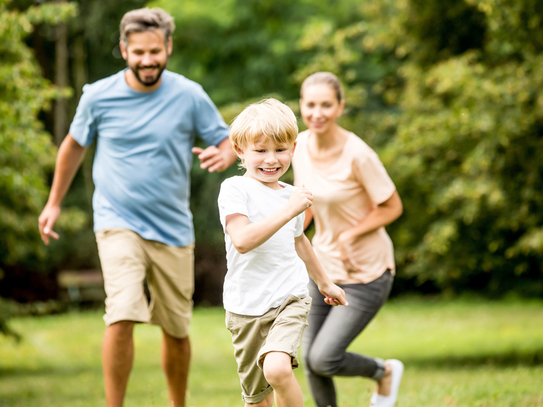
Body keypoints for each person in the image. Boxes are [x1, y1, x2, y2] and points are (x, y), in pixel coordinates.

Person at [37, 7, 237, 407]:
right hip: (116, 221)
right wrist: (54, 202)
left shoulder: (189, 94)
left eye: (155, 52)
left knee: (177, 329)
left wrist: (225, 155)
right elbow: (74, 146)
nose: (148, 61)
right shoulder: (98, 96)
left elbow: (228, 138)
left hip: (173, 228)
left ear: (168, 47)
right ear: (124, 49)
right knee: (123, 311)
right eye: (139, 52)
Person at [217, 98, 348, 407]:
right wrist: (289, 210)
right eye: (260, 151)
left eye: (280, 149)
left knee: (276, 369)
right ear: (240, 150)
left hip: (288, 298)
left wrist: (324, 282)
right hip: (244, 307)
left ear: (293, 148)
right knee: (256, 399)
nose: (271, 159)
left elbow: (300, 241)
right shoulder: (235, 189)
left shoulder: (292, 196)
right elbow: (243, 240)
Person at [292, 72, 404, 407]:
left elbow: (392, 206)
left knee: (324, 357)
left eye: (326, 105)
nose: (317, 112)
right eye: (310, 104)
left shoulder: (358, 154)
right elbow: (306, 204)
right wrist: (288, 232)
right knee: (311, 360)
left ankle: (383, 372)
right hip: (323, 268)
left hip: (366, 271)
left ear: (340, 107)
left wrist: (352, 233)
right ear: (301, 106)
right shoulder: (299, 146)